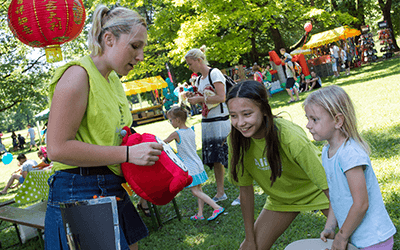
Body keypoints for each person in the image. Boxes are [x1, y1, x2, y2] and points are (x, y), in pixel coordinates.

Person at [45, 4, 164, 250]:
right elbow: (56, 148)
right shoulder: (77, 75)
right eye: (135, 46)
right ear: (108, 39)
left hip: (110, 185)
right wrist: (129, 154)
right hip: (79, 189)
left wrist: (142, 146)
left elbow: (113, 137)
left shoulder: (113, 81)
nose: (140, 56)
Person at [226, 80, 330, 250]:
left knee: (358, 237)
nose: (240, 123)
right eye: (233, 116)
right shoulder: (236, 142)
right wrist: (249, 238)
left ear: (264, 110)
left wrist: (334, 226)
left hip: (320, 191)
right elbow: (245, 191)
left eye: (247, 114)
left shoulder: (289, 136)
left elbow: (327, 184)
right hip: (281, 200)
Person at [304, 86, 396, 250]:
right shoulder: (327, 152)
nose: (308, 125)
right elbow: (335, 195)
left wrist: (342, 236)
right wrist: (331, 227)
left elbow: (361, 203)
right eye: (307, 118)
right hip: (355, 238)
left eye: (314, 119)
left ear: (338, 121)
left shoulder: (350, 155)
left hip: (373, 239)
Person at [185, 47, 232, 204]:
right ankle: (220, 192)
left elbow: (221, 97)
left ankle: (241, 190)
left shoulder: (215, 73)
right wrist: (194, 96)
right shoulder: (199, 80)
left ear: (199, 61)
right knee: (216, 158)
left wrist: (200, 100)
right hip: (207, 121)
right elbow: (204, 97)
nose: (190, 68)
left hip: (220, 121)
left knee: (228, 155)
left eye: (191, 64)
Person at [164, 106, 225, 221]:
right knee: (199, 190)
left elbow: (163, 143)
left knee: (195, 191)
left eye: (170, 120)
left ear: (177, 120)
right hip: (197, 163)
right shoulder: (191, 130)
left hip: (190, 167)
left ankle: (216, 207)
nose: (170, 122)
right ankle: (200, 214)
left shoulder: (176, 134)